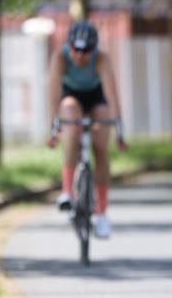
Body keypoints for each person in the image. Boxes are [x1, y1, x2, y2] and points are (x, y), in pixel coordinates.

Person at [46, 20, 125, 239]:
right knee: (71, 128)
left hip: (95, 97)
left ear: (94, 49)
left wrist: (119, 129)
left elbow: (111, 95)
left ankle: (101, 214)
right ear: (69, 46)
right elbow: (53, 95)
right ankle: (67, 192)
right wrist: (54, 127)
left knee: (101, 146)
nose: (80, 55)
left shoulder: (101, 59)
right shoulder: (60, 58)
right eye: (76, 49)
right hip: (70, 97)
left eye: (86, 50)